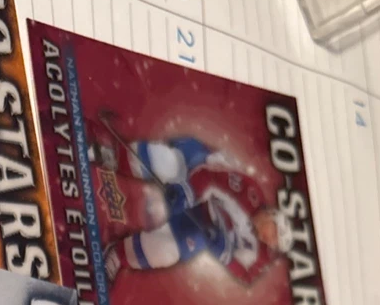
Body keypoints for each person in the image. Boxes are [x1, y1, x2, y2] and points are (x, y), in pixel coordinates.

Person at [84, 121, 293, 283]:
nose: (270, 239)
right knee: (168, 164)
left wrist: (224, 254)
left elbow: (246, 275)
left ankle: (118, 254)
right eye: (274, 231)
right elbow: (211, 176)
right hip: (199, 166)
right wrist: (187, 191)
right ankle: (111, 156)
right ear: (272, 216)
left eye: (274, 241)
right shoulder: (251, 191)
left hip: (203, 221)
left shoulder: (262, 254)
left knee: (166, 251)